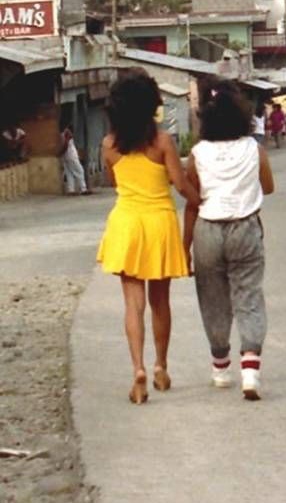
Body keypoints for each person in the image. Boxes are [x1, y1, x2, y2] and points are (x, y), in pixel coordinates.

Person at [96, 73, 201, 405]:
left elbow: (115, 182)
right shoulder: (163, 141)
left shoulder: (108, 145)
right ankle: (160, 366)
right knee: (160, 302)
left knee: (132, 304)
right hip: (159, 225)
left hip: (126, 224)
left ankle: (137, 369)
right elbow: (181, 186)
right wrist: (202, 201)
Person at [184, 81, 275, 401]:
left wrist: (185, 246)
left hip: (208, 229)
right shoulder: (255, 149)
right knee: (248, 297)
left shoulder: (197, 154)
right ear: (243, 118)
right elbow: (269, 186)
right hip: (246, 228)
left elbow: (191, 199)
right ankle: (250, 372)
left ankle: (221, 369)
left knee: (213, 299)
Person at [61, 125, 90, 195]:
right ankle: (83, 189)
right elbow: (66, 145)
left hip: (66, 157)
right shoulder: (67, 134)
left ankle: (71, 190)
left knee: (69, 173)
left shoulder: (62, 134)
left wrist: (62, 153)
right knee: (80, 171)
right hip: (71, 156)